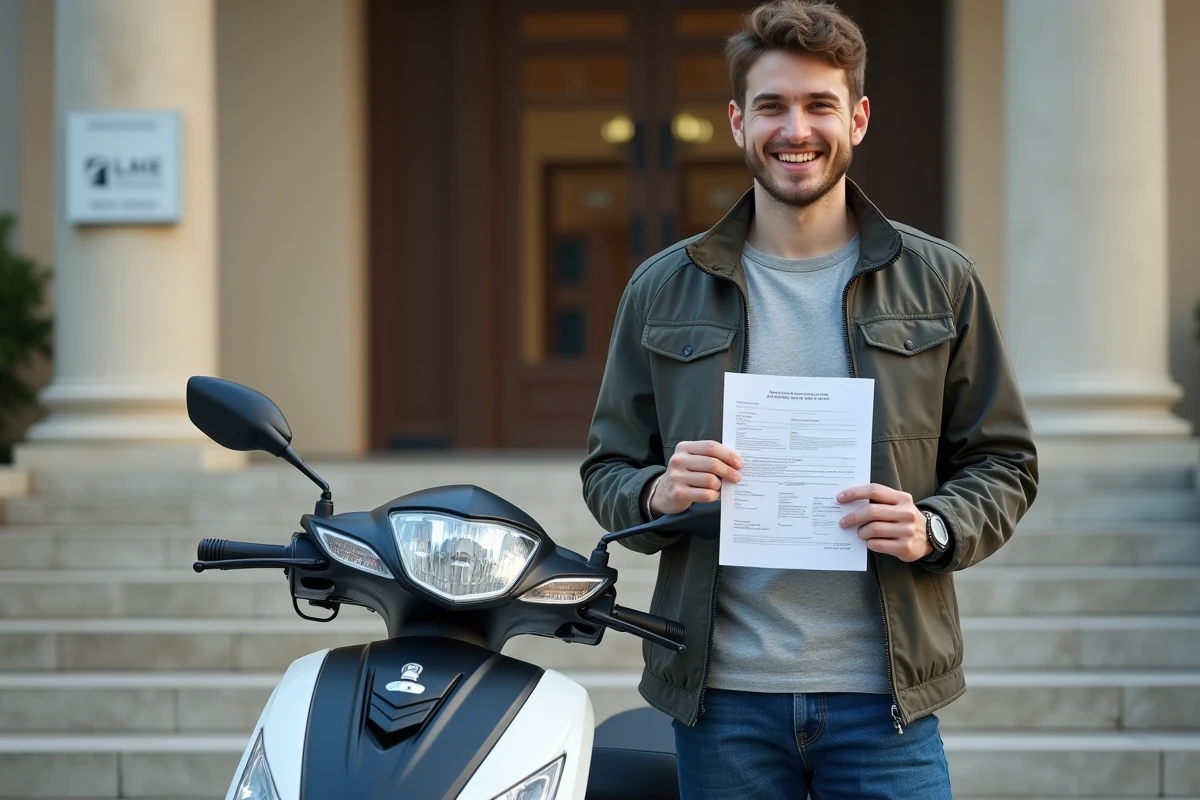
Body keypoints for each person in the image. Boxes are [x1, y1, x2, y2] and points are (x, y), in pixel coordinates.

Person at [579, 1, 1038, 797]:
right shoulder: (662, 288)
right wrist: (657, 489)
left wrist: (932, 526)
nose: (797, 129)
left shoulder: (940, 281)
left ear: (857, 117)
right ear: (736, 122)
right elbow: (607, 470)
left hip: (883, 701)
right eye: (773, 106)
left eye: (819, 104)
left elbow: (1004, 461)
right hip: (721, 702)